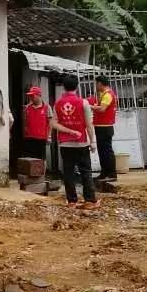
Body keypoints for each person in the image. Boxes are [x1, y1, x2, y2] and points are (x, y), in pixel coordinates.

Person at [52, 73, 97, 206]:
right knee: (86, 171)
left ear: (63, 87)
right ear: (77, 86)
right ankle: (89, 200)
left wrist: (68, 131)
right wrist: (93, 141)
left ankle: (72, 200)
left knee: (68, 172)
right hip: (82, 143)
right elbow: (89, 124)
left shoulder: (58, 103)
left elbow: (53, 123)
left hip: (65, 144)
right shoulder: (83, 103)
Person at [91, 75, 118, 181]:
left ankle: (111, 173)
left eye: (96, 84)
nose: (96, 86)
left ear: (100, 83)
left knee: (107, 151)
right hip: (101, 126)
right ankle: (104, 172)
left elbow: (102, 109)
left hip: (105, 127)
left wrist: (91, 107)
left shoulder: (108, 94)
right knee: (102, 151)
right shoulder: (104, 94)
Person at [21, 86, 54, 161]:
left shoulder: (47, 107)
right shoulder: (27, 108)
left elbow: (50, 123)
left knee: (41, 159)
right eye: (30, 96)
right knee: (29, 159)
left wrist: (49, 136)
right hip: (29, 137)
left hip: (41, 138)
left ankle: (42, 173)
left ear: (39, 95)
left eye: (32, 96)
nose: (31, 97)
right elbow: (25, 122)